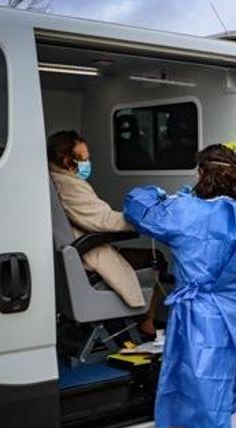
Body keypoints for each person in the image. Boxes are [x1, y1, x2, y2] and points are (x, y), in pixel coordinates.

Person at [123, 144, 236, 428]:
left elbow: (136, 204)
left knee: (204, 401)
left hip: (200, 318)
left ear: (201, 175)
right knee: (233, 398)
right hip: (234, 313)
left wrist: (164, 193)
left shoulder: (185, 212)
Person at [47, 130, 164, 335]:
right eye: (84, 159)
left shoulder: (52, 178)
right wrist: (144, 218)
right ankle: (146, 322)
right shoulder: (69, 186)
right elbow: (104, 220)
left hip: (77, 250)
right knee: (157, 258)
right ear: (67, 161)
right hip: (86, 255)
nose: (87, 164)